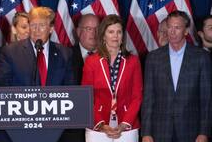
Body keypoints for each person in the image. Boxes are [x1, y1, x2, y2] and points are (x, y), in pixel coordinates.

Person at [0, 6, 76, 141]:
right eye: (33, 25)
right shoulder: (11, 52)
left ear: (51, 28)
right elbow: (3, 87)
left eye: (42, 25)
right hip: (20, 126)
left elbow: (70, 90)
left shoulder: (65, 53)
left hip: (54, 126)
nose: (37, 30)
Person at [141, 10, 211, 142]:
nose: (172, 31)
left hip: (191, 131)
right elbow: (148, 98)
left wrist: (204, 132)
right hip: (160, 131)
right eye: (169, 27)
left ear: (186, 31)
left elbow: (206, 98)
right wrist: (146, 132)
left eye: (177, 27)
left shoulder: (201, 57)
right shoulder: (153, 58)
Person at [81, 14, 143, 142]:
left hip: (127, 126)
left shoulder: (133, 61)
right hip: (98, 126)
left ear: (122, 37)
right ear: (103, 35)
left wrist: (124, 123)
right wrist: (102, 125)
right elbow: (86, 97)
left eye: (119, 32)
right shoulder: (91, 61)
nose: (115, 36)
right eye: (111, 32)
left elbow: (137, 96)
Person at [59, 14, 100, 142]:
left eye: (97, 29)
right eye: (88, 29)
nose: (93, 33)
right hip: (73, 130)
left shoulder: (110, 57)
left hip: (103, 128)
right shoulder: (64, 56)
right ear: (78, 32)